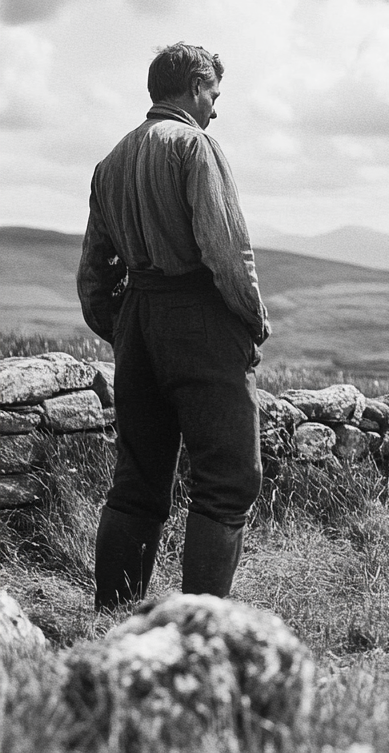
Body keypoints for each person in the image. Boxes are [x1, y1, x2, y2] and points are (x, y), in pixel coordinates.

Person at [78, 42, 271, 610]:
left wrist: (124, 329)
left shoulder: (110, 161)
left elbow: (93, 272)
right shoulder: (194, 145)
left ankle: (111, 618)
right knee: (229, 479)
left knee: (138, 483)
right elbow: (227, 249)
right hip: (199, 320)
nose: (216, 107)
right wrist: (251, 321)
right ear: (192, 87)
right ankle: (199, 626)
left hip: (138, 320)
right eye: (213, 93)